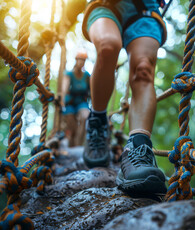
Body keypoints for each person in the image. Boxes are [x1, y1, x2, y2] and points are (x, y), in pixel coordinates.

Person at [81, 0, 167, 195]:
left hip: (145, 9)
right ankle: (98, 123)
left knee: (144, 69)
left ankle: (138, 149)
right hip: (105, 4)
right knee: (108, 46)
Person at [62, 51, 91, 147]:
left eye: (83, 60)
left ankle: (79, 146)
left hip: (81, 103)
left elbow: (92, 91)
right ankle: (72, 146)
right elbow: (64, 88)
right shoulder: (69, 74)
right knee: (73, 129)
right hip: (69, 103)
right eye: (79, 60)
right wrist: (62, 99)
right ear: (76, 60)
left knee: (85, 117)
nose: (81, 62)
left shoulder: (87, 76)